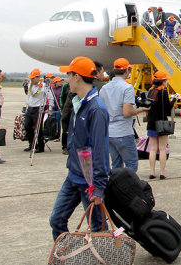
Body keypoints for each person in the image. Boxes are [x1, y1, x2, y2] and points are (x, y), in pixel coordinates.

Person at [50, 56, 110, 241]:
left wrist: (98, 188)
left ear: (77, 77)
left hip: (90, 182)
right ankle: (65, 254)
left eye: (68, 75)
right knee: (56, 220)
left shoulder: (96, 109)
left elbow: (100, 150)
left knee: (98, 228)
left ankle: (104, 258)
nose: (67, 79)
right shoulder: (79, 103)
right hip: (74, 175)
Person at [99, 58, 150, 172]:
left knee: (116, 164)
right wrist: (141, 109)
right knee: (131, 165)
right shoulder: (127, 88)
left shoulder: (104, 88)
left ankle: (117, 187)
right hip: (123, 131)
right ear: (127, 71)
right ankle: (128, 188)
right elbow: (127, 112)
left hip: (109, 131)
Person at [146, 71, 174, 179]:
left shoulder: (150, 92)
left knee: (152, 149)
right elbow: (167, 109)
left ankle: (152, 172)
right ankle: (162, 173)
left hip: (151, 122)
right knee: (162, 149)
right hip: (162, 123)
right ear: (163, 81)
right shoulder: (163, 92)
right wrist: (173, 101)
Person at [24, 68, 54, 153]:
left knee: (38, 128)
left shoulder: (44, 86)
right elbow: (29, 96)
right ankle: (31, 144)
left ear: (38, 78)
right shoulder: (30, 85)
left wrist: (50, 109)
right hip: (30, 108)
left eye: (33, 78)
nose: (32, 79)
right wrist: (26, 106)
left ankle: (40, 146)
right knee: (27, 126)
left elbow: (50, 98)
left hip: (39, 108)